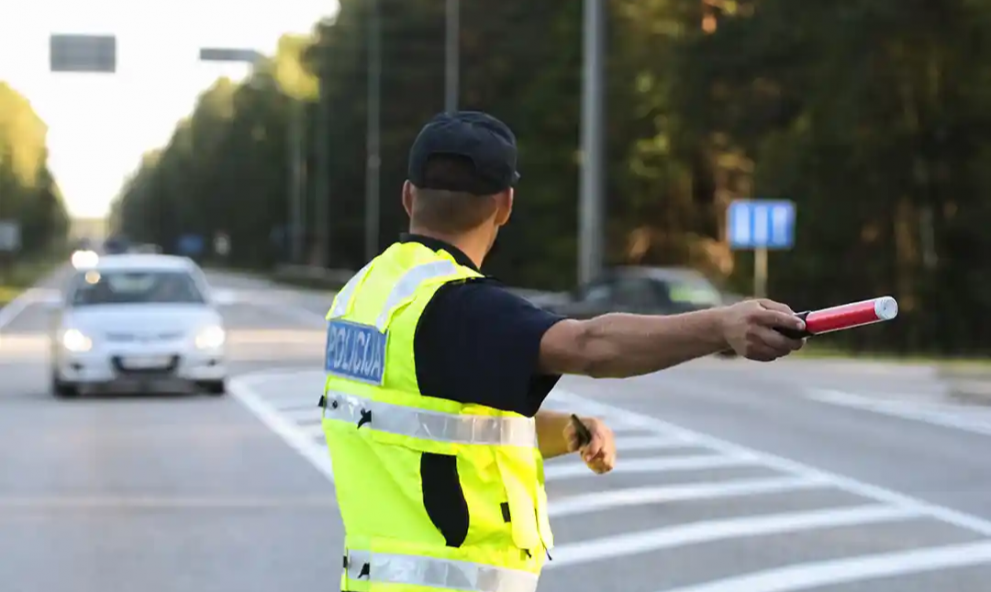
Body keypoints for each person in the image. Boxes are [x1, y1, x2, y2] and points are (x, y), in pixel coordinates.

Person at [320, 111, 806, 592]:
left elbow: (418, 422)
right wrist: (722, 324)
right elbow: (590, 345)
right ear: (505, 205)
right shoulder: (457, 306)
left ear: (408, 196)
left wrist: (567, 431)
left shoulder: (366, 296)